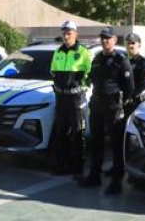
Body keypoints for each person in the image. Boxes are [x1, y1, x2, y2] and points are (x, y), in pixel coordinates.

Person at [79, 27, 134, 195]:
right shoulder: (96, 59)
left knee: (116, 143)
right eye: (103, 38)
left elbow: (129, 87)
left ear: (115, 40)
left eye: (108, 38)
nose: (105, 41)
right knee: (96, 141)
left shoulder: (120, 60)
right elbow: (91, 79)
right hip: (97, 103)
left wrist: (122, 105)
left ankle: (116, 181)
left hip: (112, 104)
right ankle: (94, 175)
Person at [49, 20, 92, 178]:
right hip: (61, 98)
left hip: (76, 98)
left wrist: (81, 86)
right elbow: (52, 71)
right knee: (61, 132)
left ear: (75, 34)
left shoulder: (83, 51)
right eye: (64, 33)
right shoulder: (58, 52)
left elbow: (90, 73)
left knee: (78, 133)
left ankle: (78, 167)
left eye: (69, 33)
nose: (66, 36)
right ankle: (63, 165)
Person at [124, 33, 145, 116]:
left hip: (132, 102)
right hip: (119, 101)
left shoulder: (142, 62)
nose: (130, 45)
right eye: (128, 43)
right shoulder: (122, 60)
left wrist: (132, 96)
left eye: (133, 43)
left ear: (139, 45)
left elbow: (144, 83)